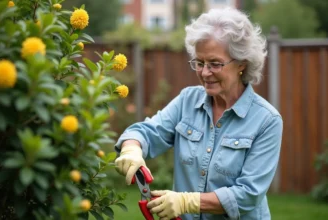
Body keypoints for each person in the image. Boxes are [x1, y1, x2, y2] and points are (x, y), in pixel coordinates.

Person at [114, 7, 283, 220]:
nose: (204, 73)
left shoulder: (267, 120)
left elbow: (248, 195)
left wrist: (187, 202)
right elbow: (146, 132)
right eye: (199, 62)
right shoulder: (187, 101)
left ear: (241, 63)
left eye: (215, 64)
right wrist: (131, 148)